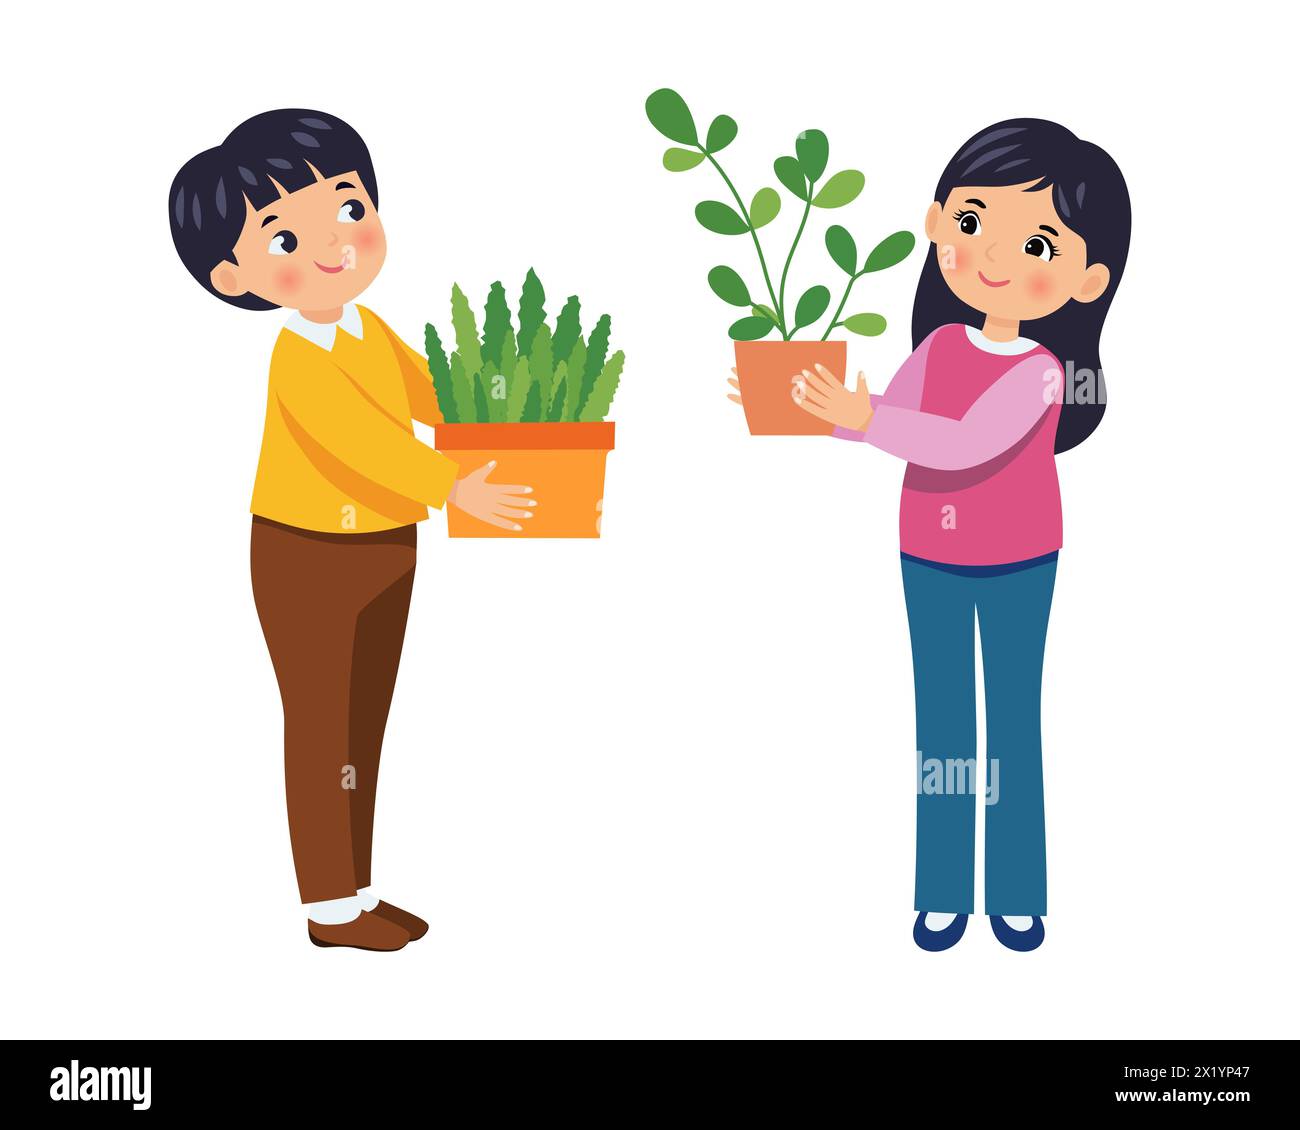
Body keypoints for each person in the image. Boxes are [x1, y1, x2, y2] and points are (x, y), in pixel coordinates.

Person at [731, 119, 1130, 951]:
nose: (997, 258)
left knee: (1011, 720)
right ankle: (944, 888)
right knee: (943, 722)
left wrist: (863, 415)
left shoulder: (1043, 372)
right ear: (939, 221)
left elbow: (960, 443)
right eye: (976, 222)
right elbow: (897, 423)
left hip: (1021, 560)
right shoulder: (943, 342)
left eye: (1040, 245)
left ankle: (1018, 891)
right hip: (929, 555)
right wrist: (806, 412)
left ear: (1086, 280)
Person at [169, 109, 536, 950]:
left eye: (347, 207)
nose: (336, 243)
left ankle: (358, 890)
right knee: (321, 727)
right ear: (235, 278)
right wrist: (452, 485)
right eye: (284, 240)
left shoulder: (369, 330)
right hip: (308, 555)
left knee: (364, 723)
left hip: (384, 546)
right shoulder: (299, 358)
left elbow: (432, 391)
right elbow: (360, 445)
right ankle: (329, 909)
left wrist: (500, 415)